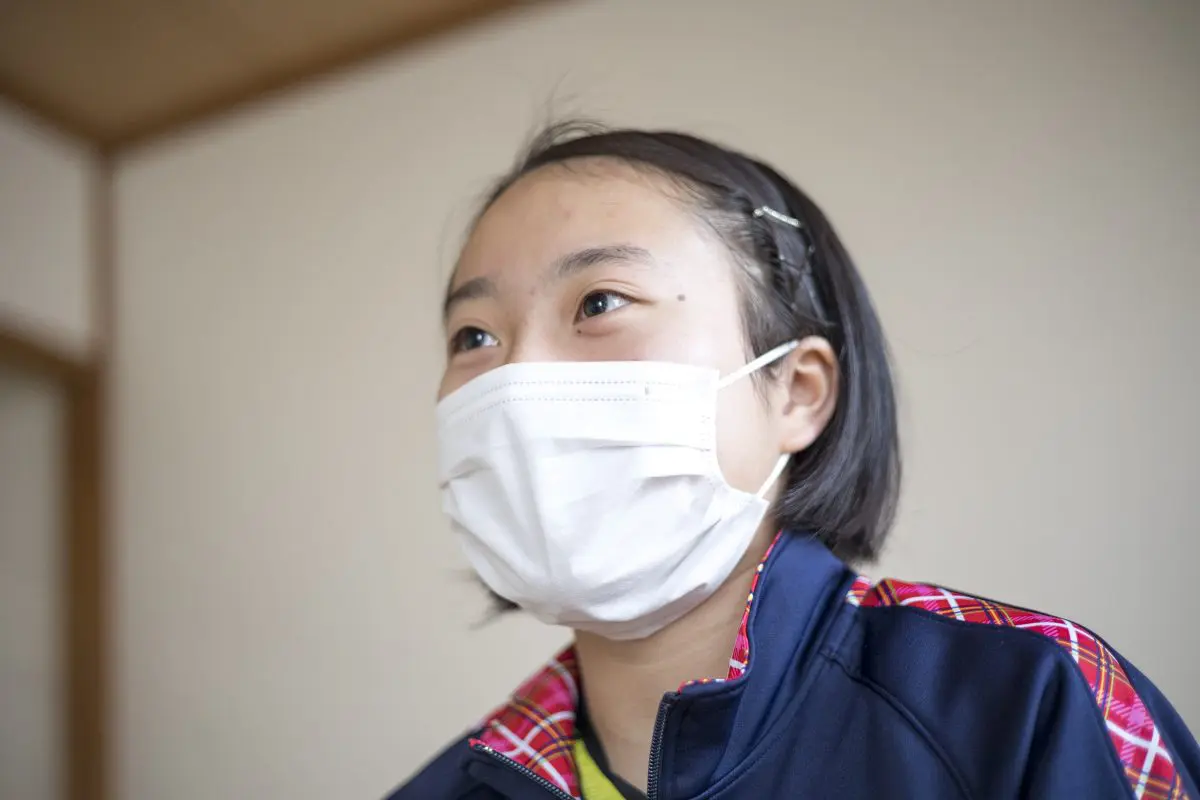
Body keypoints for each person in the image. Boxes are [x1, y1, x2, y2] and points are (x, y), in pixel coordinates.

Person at [387, 122, 1198, 799]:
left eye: (601, 302)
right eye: (474, 337)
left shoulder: (1022, 701)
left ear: (798, 391)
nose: (519, 377)